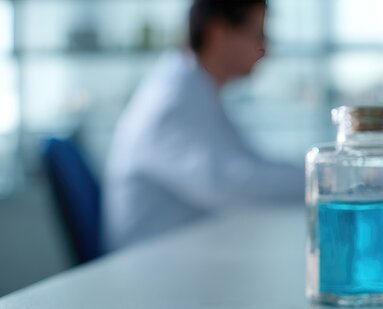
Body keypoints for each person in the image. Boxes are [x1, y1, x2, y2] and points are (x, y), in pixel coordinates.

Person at [104, 0, 303, 251]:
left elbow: (251, 165)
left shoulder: (197, 90)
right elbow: (233, 186)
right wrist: (322, 179)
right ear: (218, 34)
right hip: (152, 261)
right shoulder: (172, 101)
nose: (266, 49)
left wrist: (319, 175)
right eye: (258, 34)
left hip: (187, 250)